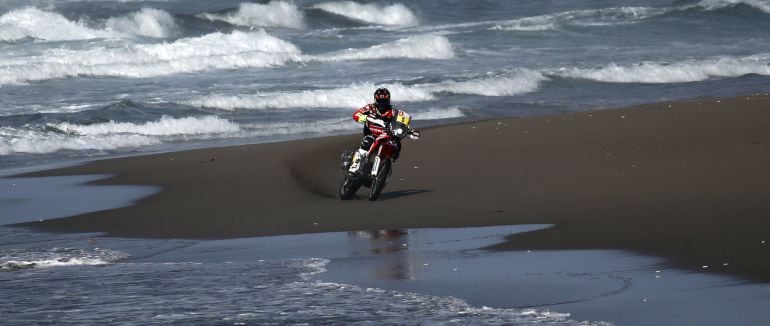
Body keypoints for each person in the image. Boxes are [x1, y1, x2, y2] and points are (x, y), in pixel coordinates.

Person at [348, 87, 417, 173]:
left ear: (388, 100)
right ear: (375, 99)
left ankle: (387, 165)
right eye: (380, 101)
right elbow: (356, 115)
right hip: (371, 134)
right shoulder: (369, 108)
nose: (382, 103)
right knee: (367, 141)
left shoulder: (394, 112)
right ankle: (356, 164)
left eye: (384, 101)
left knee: (397, 145)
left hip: (387, 136)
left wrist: (410, 131)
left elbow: (403, 123)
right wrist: (368, 118)